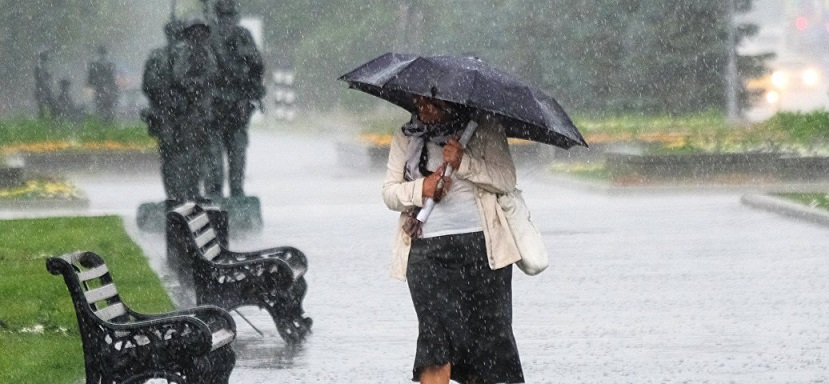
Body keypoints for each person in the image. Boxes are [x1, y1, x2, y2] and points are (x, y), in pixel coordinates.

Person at [382, 95, 525, 384]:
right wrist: (424, 187)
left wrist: (464, 162)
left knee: (489, 342)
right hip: (427, 252)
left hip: (484, 251)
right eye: (419, 102)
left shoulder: (484, 129)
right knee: (435, 340)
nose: (423, 109)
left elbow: (505, 179)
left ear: (453, 102)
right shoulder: (407, 135)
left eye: (432, 103)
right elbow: (390, 193)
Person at [205, 0, 265, 198]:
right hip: (214, 105)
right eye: (224, 16)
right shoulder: (208, 36)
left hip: (238, 105)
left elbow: (257, 66)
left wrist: (243, 54)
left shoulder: (243, 36)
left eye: (229, 16)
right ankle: (215, 193)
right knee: (214, 157)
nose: (227, 21)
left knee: (237, 154)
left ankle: (236, 193)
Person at [168, 15, 218, 201]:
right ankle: (186, 192)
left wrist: (203, 83)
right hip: (187, 110)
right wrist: (192, 84)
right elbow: (178, 75)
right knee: (188, 154)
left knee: (202, 155)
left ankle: (196, 191)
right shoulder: (184, 51)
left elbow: (213, 73)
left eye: (202, 31)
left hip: (203, 110)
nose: (199, 35)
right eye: (195, 31)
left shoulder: (207, 52)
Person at [141, 20, 186, 198]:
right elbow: (148, 85)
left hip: (186, 114)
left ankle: (184, 193)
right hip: (164, 112)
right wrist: (164, 88)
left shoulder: (189, 55)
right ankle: (173, 194)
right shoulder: (157, 56)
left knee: (188, 156)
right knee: (168, 155)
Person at [86, 45, 120, 122]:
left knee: (99, 102)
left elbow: (91, 77)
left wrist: (90, 83)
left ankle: (102, 116)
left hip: (100, 86)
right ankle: (109, 115)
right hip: (108, 86)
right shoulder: (110, 63)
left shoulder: (94, 63)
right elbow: (112, 75)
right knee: (112, 100)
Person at [34, 50, 54, 119]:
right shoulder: (39, 66)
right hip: (41, 89)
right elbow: (39, 77)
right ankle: (42, 118)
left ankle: (48, 117)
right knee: (42, 105)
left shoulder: (42, 66)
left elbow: (43, 76)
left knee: (49, 104)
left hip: (44, 88)